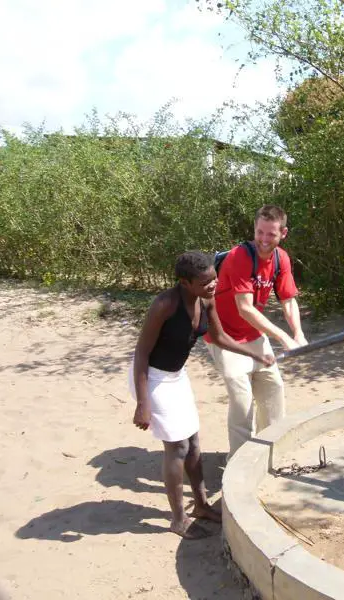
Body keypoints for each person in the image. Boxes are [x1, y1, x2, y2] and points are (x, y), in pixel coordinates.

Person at [130, 251, 275, 538]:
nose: (213, 285)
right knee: (178, 448)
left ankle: (201, 505)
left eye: (214, 278)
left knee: (194, 444)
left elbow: (219, 337)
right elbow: (141, 353)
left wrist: (254, 354)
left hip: (176, 377)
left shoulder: (207, 300)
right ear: (185, 282)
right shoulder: (165, 305)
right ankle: (177, 519)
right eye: (205, 281)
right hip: (153, 378)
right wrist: (142, 403)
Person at [206, 205, 308, 458]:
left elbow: (288, 301)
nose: (263, 239)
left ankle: (269, 453)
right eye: (259, 232)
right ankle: (239, 464)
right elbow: (245, 309)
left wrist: (299, 334)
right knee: (242, 402)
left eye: (270, 234)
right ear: (254, 228)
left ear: (283, 233)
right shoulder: (240, 256)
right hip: (224, 336)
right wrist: (283, 337)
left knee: (273, 391)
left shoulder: (281, 259)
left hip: (253, 334)